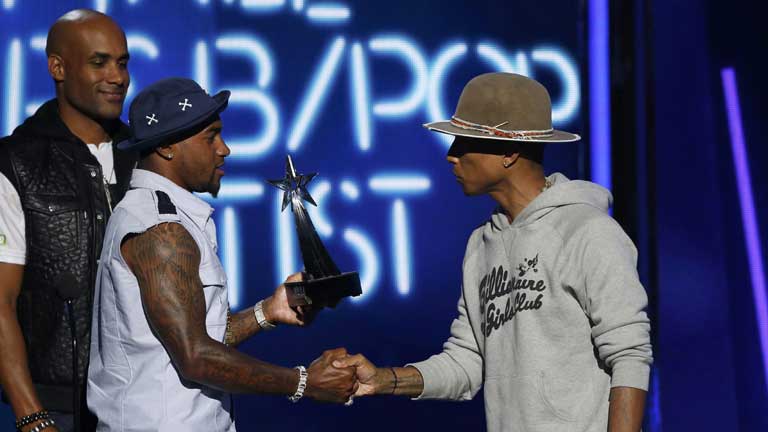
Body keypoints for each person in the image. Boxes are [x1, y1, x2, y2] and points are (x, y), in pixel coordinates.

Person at [333, 72, 654, 432]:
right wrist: (384, 379)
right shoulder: (480, 245)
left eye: (466, 142)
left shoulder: (588, 231)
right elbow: (467, 362)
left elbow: (630, 353)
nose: (451, 156)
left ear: (509, 152)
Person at [86, 77, 356, 431]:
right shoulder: (160, 230)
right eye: (210, 136)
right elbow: (196, 357)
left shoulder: (170, 219)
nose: (224, 149)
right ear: (167, 146)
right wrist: (305, 382)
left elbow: (195, 336)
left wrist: (268, 311)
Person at [0, 9, 136, 432]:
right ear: (57, 68)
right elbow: (0, 302)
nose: (117, 77)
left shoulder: (146, 157)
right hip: (54, 406)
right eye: (99, 62)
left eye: (122, 63)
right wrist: (32, 417)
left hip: (144, 401)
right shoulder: (17, 163)